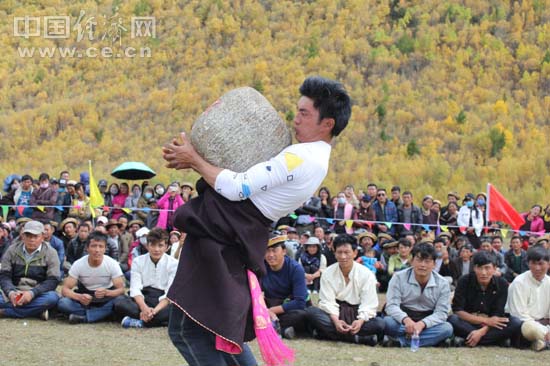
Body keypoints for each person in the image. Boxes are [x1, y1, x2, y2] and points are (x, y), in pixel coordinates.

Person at [163, 76, 351, 365]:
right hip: (231, 232)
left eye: (304, 113)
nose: (296, 119)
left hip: (223, 231)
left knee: (188, 330)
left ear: (327, 123)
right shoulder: (312, 158)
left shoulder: (301, 158)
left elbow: (239, 187)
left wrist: (194, 160)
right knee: (214, 331)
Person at [306, 234, 385, 345]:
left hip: (357, 312)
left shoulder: (367, 274)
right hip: (335, 313)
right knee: (311, 312)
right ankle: (358, 339)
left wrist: (360, 321)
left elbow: (369, 303)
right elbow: (327, 301)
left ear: (355, 253)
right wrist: (336, 321)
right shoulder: (328, 272)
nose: (343, 257)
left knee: (380, 323)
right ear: (334, 253)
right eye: (339, 252)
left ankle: (325, 334)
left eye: (347, 252)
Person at [383, 243, 453, 347]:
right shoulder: (398, 278)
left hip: (428, 321)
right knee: (387, 322)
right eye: (419, 260)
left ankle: (401, 342)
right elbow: (392, 306)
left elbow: (442, 313)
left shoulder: (442, 283)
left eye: (427, 261)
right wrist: (406, 320)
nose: (422, 265)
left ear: (434, 264)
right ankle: (429, 340)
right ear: (411, 261)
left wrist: (422, 324)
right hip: (402, 319)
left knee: (447, 328)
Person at [448, 251, 522, 347]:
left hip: (491, 326)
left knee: (515, 322)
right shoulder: (464, 281)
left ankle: (469, 339)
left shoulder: (502, 284)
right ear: (474, 268)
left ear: (494, 268)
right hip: (469, 321)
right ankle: (493, 341)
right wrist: (486, 321)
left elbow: (497, 314)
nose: (483, 273)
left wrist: (482, 331)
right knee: (452, 320)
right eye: (479, 268)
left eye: (487, 268)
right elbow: (458, 311)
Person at [114, 228, 178, 328]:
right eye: (153, 245)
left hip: (162, 302)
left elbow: (169, 294)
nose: (156, 249)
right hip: (143, 298)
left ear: (167, 247)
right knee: (119, 301)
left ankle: (141, 322)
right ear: (147, 246)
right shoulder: (138, 261)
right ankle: (154, 321)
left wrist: (154, 311)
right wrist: (144, 308)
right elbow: (135, 288)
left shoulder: (174, 264)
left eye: (160, 245)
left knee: (178, 310)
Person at [57, 231, 125, 324]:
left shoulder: (112, 263)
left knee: (120, 301)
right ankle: (103, 315)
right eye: (94, 246)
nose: (97, 250)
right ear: (87, 248)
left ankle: (85, 318)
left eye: (101, 246)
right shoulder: (79, 264)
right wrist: (79, 297)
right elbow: (65, 290)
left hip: (106, 298)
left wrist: (107, 292)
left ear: (105, 249)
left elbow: (121, 290)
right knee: (63, 303)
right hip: (85, 298)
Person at [0, 221, 60, 320]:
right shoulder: (12, 250)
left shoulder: (51, 253)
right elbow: (4, 275)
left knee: (52, 298)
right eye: (28, 236)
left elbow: (53, 281)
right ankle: (36, 311)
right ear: (23, 236)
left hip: (38, 293)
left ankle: (5, 312)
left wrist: (32, 293)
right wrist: (11, 292)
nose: (31, 239)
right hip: (14, 291)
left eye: (35, 236)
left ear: (42, 237)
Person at [261, 233, 309, 339]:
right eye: (267, 251)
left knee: (302, 315)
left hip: (287, 308)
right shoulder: (261, 267)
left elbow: (300, 302)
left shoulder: (295, 269)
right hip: (267, 307)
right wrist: (263, 309)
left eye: (274, 250)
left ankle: (274, 327)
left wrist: (271, 311)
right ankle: (282, 329)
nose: (270, 255)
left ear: (284, 251)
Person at [505, 246, 550, 351]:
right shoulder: (519, 282)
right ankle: (544, 339)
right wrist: (545, 330)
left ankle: (541, 342)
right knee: (529, 327)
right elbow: (519, 315)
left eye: (541, 264)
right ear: (528, 264)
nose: (537, 268)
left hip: (545, 323)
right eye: (533, 263)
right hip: (525, 324)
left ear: (548, 264)